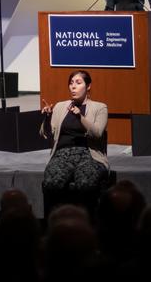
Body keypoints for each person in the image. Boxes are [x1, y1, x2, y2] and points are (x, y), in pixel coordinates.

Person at [39, 70, 110, 213]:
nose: (73, 87)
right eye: (71, 83)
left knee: (85, 183)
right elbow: (46, 134)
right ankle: (55, 224)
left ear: (88, 86)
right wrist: (47, 117)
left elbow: (97, 133)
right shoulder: (60, 106)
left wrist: (80, 117)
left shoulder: (100, 107)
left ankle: (87, 225)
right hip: (63, 154)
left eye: (78, 83)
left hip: (89, 154)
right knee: (51, 183)